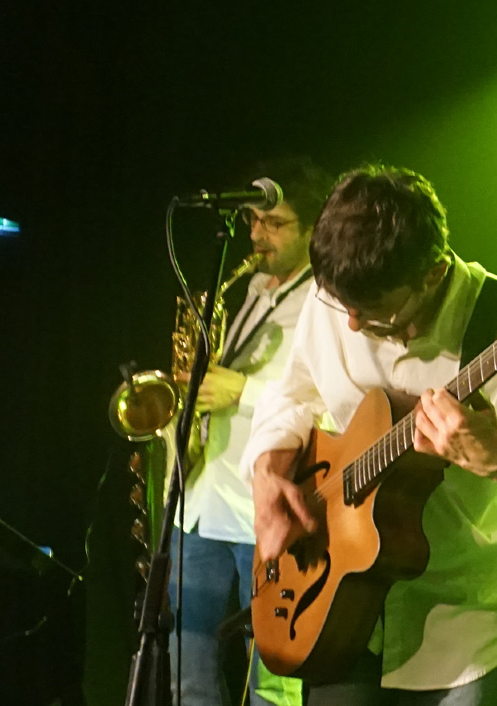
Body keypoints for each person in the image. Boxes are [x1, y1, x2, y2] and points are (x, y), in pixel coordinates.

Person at [242, 164, 497, 706]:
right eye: (341, 305)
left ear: (431, 273)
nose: (349, 324)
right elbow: (293, 392)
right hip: (333, 606)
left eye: (371, 313)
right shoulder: (340, 296)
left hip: (459, 622)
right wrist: (267, 472)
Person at [170, 157, 332, 706]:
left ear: (315, 229)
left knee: (273, 685)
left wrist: (241, 390)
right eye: (252, 222)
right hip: (200, 505)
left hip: (264, 516)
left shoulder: (326, 301)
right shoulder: (253, 289)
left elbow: (329, 406)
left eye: (274, 223)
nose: (257, 234)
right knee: (185, 674)